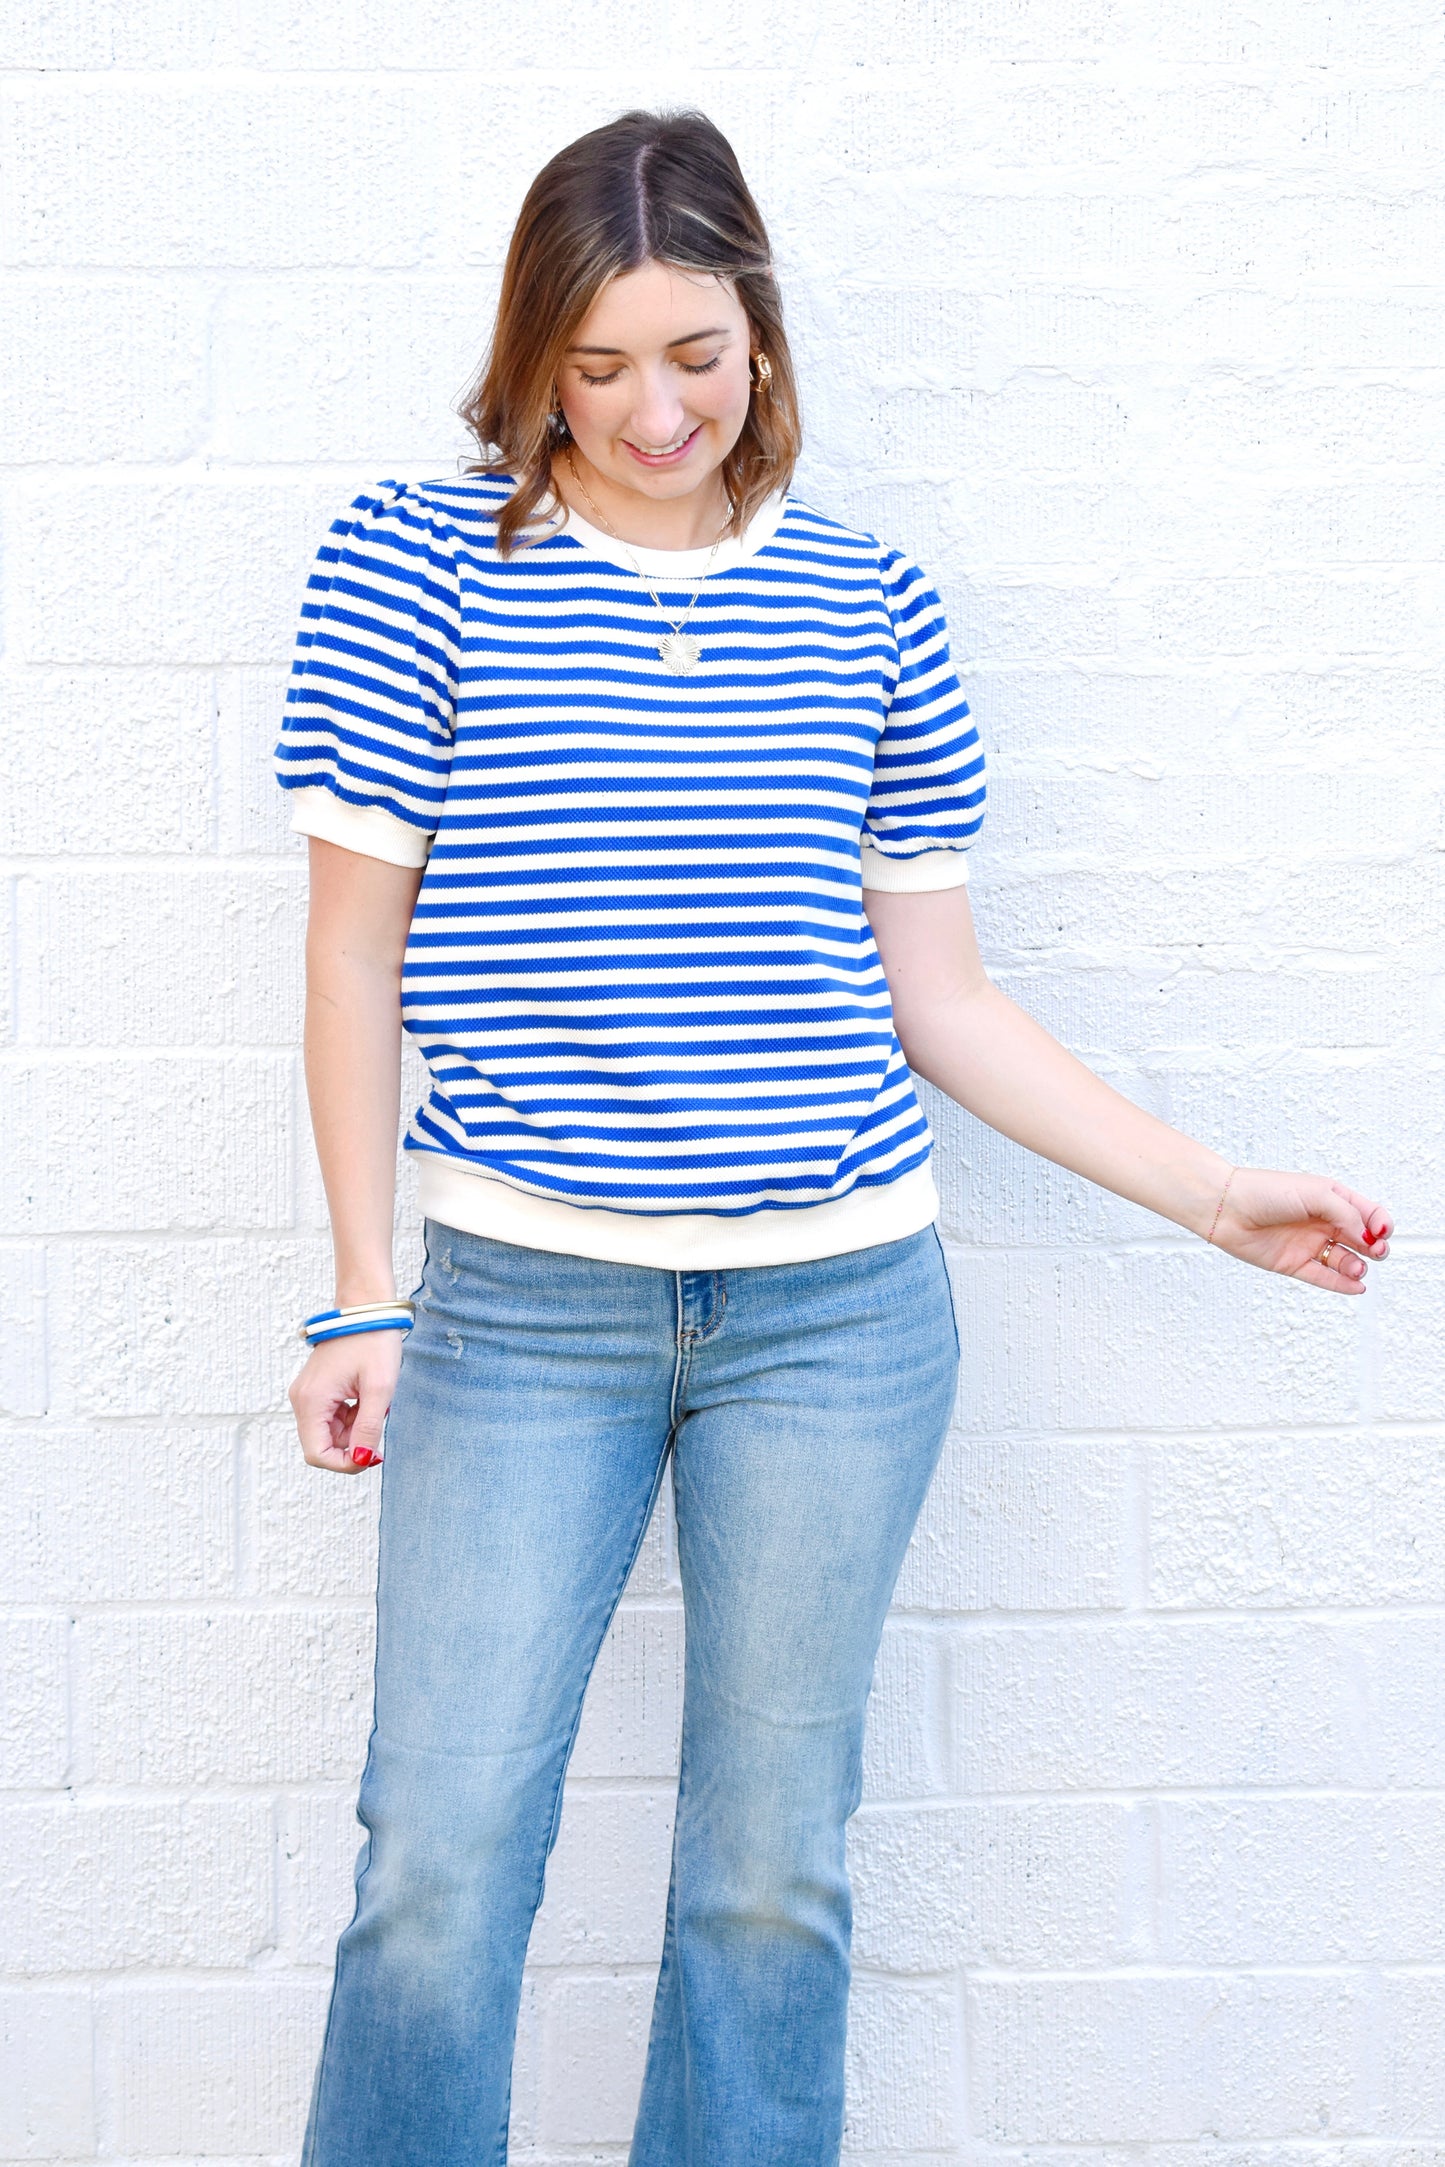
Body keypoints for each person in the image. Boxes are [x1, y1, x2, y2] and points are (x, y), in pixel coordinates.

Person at [275, 107, 1393, 2167]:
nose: (649, 408)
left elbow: (937, 995)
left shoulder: (871, 607)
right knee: (435, 1866)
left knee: (770, 1882)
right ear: (532, 358)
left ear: (760, 340)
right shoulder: (415, 564)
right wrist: (360, 1294)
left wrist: (1213, 1190)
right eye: (594, 366)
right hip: (520, 1312)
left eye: (691, 353)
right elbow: (351, 958)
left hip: (840, 1321)